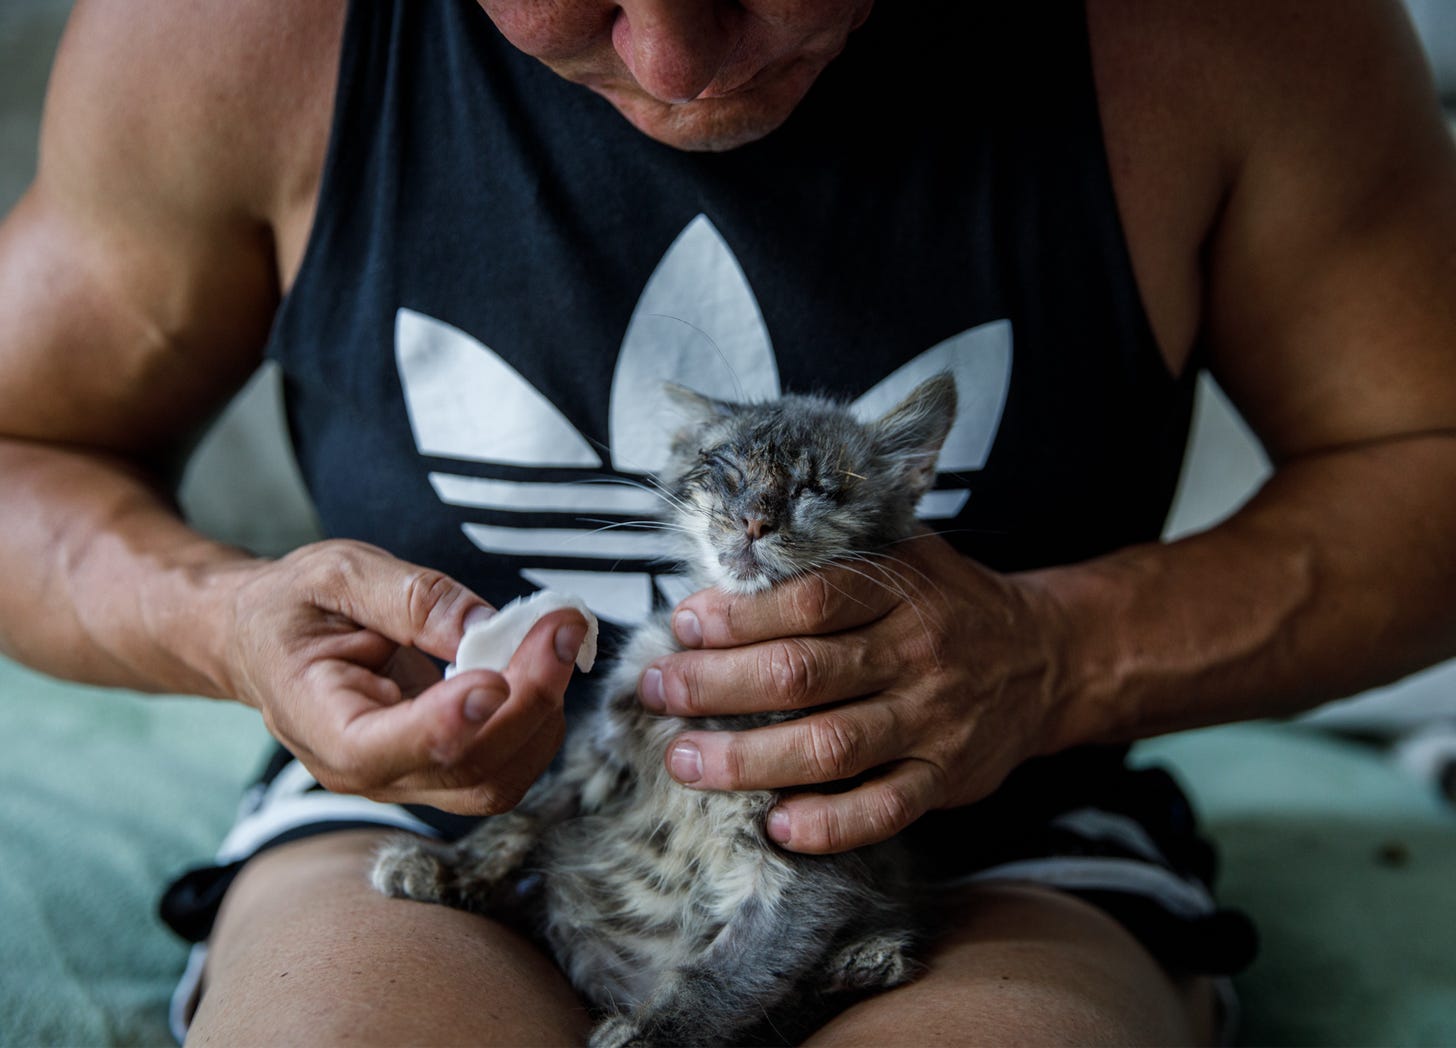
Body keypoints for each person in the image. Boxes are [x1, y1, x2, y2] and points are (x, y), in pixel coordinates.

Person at [1, 0, 1454, 1043]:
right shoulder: (232, 31)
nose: (672, 59)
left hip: (996, 837)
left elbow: (1429, 457)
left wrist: (1061, 654)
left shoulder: (1238, 32)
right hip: (437, 815)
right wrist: (220, 623)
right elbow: (22, 444)